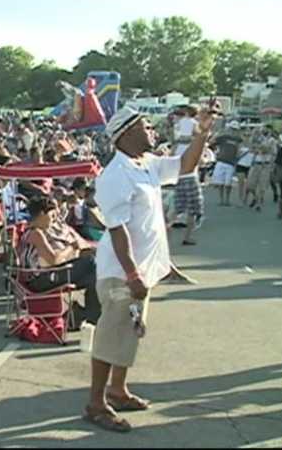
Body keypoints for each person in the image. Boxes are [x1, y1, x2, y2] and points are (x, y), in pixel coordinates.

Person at [84, 105, 214, 432]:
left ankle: (118, 389)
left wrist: (201, 133)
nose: (152, 131)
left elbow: (186, 165)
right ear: (126, 133)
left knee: (130, 331)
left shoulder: (147, 164)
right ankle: (96, 404)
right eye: (145, 126)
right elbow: (118, 229)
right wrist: (132, 274)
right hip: (121, 273)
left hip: (142, 271)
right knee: (111, 335)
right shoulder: (116, 174)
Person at [21, 196, 100, 326]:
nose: (53, 219)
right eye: (51, 215)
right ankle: (85, 315)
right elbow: (53, 260)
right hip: (40, 280)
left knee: (95, 276)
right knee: (91, 263)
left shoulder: (34, 231)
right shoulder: (35, 234)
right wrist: (72, 247)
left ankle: (85, 315)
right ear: (42, 214)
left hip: (46, 275)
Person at [169, 104, 205, 246]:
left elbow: (173, 149)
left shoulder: (177, 125)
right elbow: (199, 143)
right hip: (190, 175)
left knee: (176, 208)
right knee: (193, 209)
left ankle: (166, 237)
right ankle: (187, 237)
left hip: (177, 173)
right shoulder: (194, 125)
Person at [210, 122, 243, 206]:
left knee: (228, 184)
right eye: (232, 129)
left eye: (235, 129)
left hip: (231, 163)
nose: (233, 131)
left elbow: (239, 150)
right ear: (229, 129)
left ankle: (227, 200)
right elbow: (212, 142)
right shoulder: (223, 137)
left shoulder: (238, 139)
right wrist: (218, 133)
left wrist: (237, 159)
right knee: (220, 183)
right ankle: (221, 200)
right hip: (221, 161)